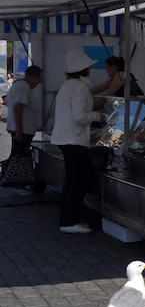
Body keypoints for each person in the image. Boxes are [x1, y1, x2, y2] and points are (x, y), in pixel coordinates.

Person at [51, 49, 106, 234]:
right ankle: (69, 222)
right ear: (83, 68)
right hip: (74, 140)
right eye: (88, 66)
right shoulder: (79, 87)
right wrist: (98, 116)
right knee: (78, 181)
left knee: (72, 180)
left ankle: (67, 219)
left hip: (66, 138)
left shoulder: (69, 85)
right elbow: (79, 116)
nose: (90, 68)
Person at [3, 65, 44, 195]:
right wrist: (19, 131)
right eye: (39, 78)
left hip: (22, 129)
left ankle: (18, 183)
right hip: (21, 130)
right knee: (20, 158)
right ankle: (18, 184)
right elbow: (17, 108)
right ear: (33, 76)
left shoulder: (20, 86)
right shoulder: (23, 87)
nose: (39, 82)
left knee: (19, 156)